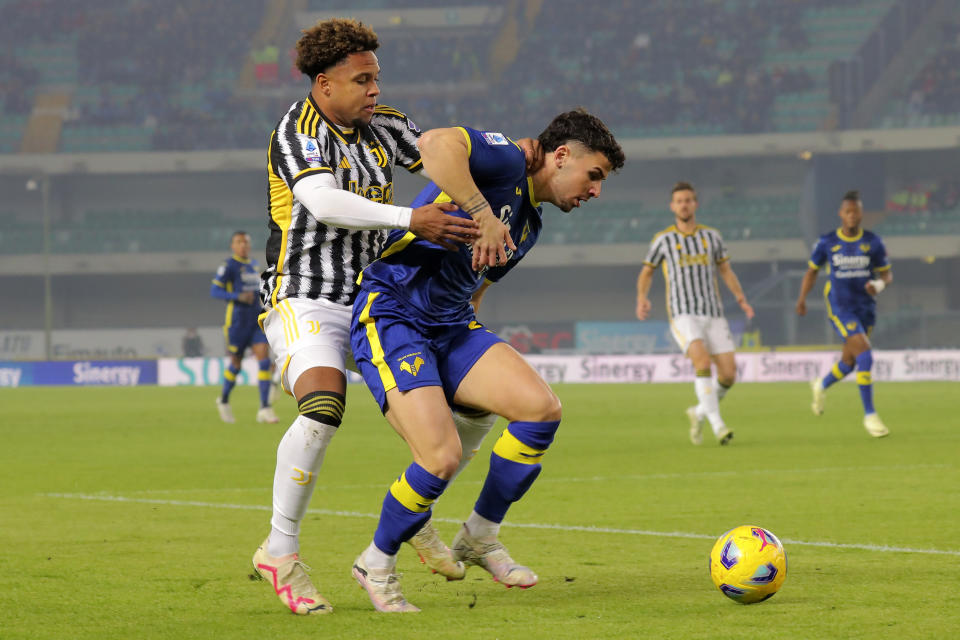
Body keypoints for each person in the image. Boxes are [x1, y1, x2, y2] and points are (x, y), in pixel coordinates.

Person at [250, 18, 541, 616]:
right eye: (363, 81)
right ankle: (280, 551)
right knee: (324, 406)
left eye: (377, 79)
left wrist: (511, 177)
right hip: (305, 294)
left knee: (470, 408)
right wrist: (411, 221)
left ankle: (420, 516)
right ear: (324, 83)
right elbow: (322, 201)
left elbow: (442, 155)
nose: (375, 91)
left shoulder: (383, 125)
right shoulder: (297, 132)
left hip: (376, 298)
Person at [349, 109, 625, 612]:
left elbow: (474, 289)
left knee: (540, 409)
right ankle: (376, 561)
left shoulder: (531, 225)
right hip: (392, 313)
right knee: (440, 457)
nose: (595, 191)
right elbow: (433, 145)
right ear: (561, 156)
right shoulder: (505, 161)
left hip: (451, 325)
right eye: (594, 176)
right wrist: (481, 214)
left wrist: (474, 360)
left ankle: (479, 536)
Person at [635, 182, 754, 446]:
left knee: (729, 375)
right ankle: (718, 425)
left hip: (713, 312)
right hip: (682, 313)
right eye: (679, 201)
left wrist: (741, 299)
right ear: (672, 206)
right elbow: (647, 271)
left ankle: (699, 412)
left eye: (688, 200)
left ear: (695, 204)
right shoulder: (663, 240)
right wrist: (642, 298)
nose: (684, 204)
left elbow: (725, 270)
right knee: (702, 364)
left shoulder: (712, 237)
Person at [795, 190, 892, 437]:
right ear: (841, 214)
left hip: (865, 308)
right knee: (866, 356)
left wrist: (879, 286)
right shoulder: (827, 242)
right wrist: (802, 298)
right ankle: (870, 416)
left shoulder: (873, 242)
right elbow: (812, 271)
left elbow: (886, 274)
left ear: (861, 214)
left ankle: (820, 385)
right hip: (840, 306)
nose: (852, 215)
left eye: (856, 211)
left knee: (849, 363)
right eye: (847, 211)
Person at [209, 231, 278, 424]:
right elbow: (215, 290)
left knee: (264, 361)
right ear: (233, 245)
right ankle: (223, 400)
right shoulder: (229, 266)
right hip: (236, 323)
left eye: (246, 242)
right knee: (236, 365)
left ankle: (265, 408)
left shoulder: (253, 265)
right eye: (239, 242)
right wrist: (237, 297)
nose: (243, 245)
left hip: (255, 321)